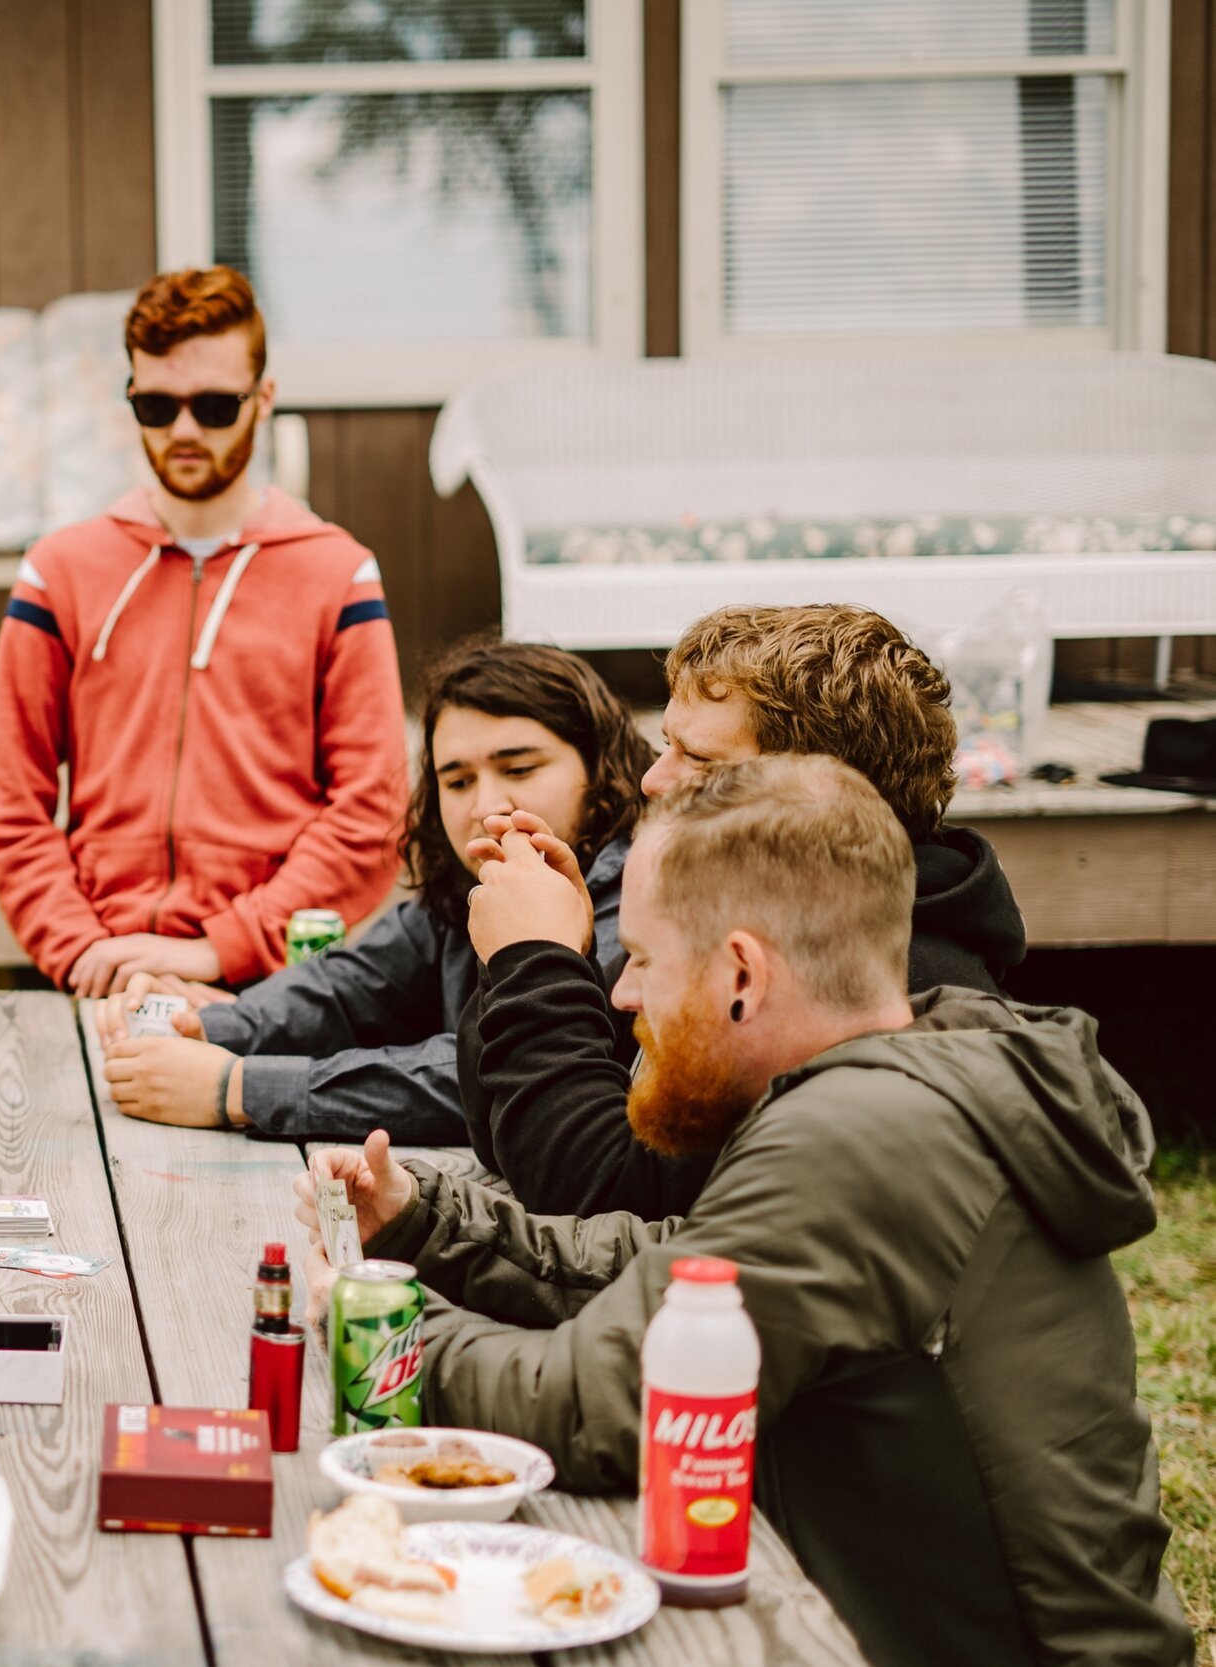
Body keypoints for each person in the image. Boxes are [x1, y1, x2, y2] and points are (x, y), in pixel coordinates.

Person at [297, 757, 1188, 1667]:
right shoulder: (907, 1071)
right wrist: (426, 1220)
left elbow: (592, 1403)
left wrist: (381, 1322)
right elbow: (685, 1266)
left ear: (741, 976)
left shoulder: (861, 1135)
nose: (620, 995)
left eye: (642, 957)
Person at [460, 602, 1029, 1218]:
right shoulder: (744, 903)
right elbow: (510, 1137)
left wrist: (535, 963)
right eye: (667, 745)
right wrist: (549, 956)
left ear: (815, 792)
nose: (653, 779)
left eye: (700, 761)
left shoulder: (876, 979)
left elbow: (613, 1196)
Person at [0, 265, 408, 997]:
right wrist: (84, 951)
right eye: (156, 405)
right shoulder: (58, 573)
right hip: (97, 974)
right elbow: (11, 805)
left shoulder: (339, 575)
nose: (183, 430)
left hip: (276, 982)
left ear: (263, 400)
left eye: (213, 406)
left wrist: (221, 948)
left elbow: (372, 810)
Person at [94, 641, 651, 1141]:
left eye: (520, 769)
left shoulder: (639, 899)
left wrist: (237, 1088)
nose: (485, 806)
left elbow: (488, 1075)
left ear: (602, 768)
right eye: (456, 782)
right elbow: (346, 987)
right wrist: (194, 1026)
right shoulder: (462, 891)